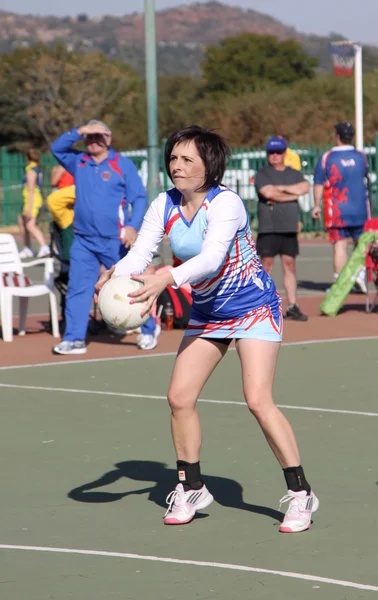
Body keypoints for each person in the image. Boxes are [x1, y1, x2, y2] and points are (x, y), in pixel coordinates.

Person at [96, 125, 319, 533]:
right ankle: (192, 487)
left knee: (257, 400)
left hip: (253, 307)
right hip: (208, 312)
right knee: (179, 398)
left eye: (187, 160)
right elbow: (139, 253)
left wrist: (166, 276)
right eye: (173, 158)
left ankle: (301, 494)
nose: (176, 166)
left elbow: (213, 258)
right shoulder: (164, 204)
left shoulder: (226, 203)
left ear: (208, 165)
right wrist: (114, 275)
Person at [50, 119, 159, 355]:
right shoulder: (79, 161)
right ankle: (74, 338)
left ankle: (149, 330)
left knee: (130, 286)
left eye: (99, 136)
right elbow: (57, 148)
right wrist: (79, 130)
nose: (94, 140)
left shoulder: (123, 164)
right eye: (90, 136)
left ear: (109, 138)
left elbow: (139, 198)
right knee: (79, 289)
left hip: (115, 241)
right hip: (84, 240)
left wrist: (132, 226)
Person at [255, 137, 310, 321]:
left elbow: (305, 187)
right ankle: (261, 305)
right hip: (268, 228)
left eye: (278, 152)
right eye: (272, 152)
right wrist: (291, 194)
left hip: (288, 227)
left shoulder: (294, 173)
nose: (275, 156)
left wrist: (280, 190)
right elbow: (267, 193)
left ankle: (293, 305)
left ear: (285, 154)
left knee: (290, 265)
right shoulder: (262, 174)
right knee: (266, 266)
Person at [312, 122, 369, 293]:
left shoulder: (327, 157)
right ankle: (359, 275)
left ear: (337, 136)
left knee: (340, 245)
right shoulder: (361, 157)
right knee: (361, 244)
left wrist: (316, 205)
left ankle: (339, 283)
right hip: (360, 209)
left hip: (337, 210)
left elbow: (318, 184)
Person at [18, 149, 50, 259]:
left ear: (27, 158)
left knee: (30, 225)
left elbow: (31, 189)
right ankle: (27, 248)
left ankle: (44, 246)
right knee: (22, 222)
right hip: (29, 199)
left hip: (32, 201)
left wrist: (29, 207)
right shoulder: (36, 168)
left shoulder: (31, 170)